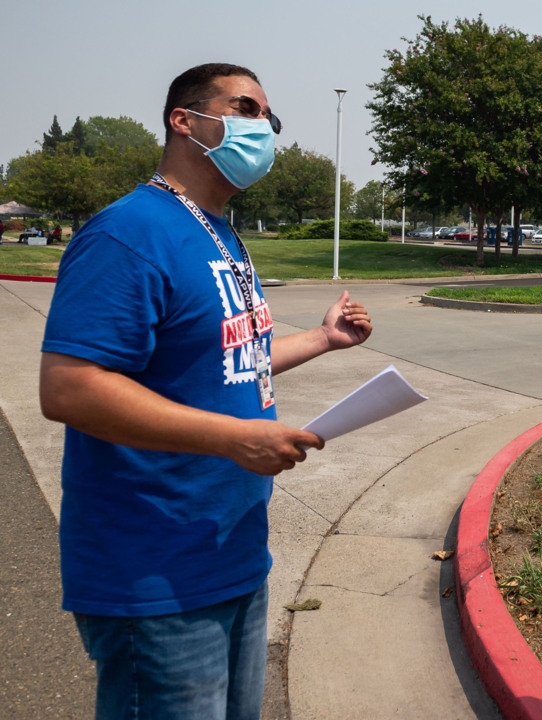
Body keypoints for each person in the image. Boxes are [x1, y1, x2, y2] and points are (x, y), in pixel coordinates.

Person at [39, 63, 373, 720]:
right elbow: (70, 388)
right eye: (245, 108)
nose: (263, 129)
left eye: (268, 119)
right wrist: (237, 438)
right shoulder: (127, 234)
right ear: (184, 121)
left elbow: (229, 357)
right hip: (155, 573)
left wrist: (321, 338)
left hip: (234, 554)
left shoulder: (218, 231)